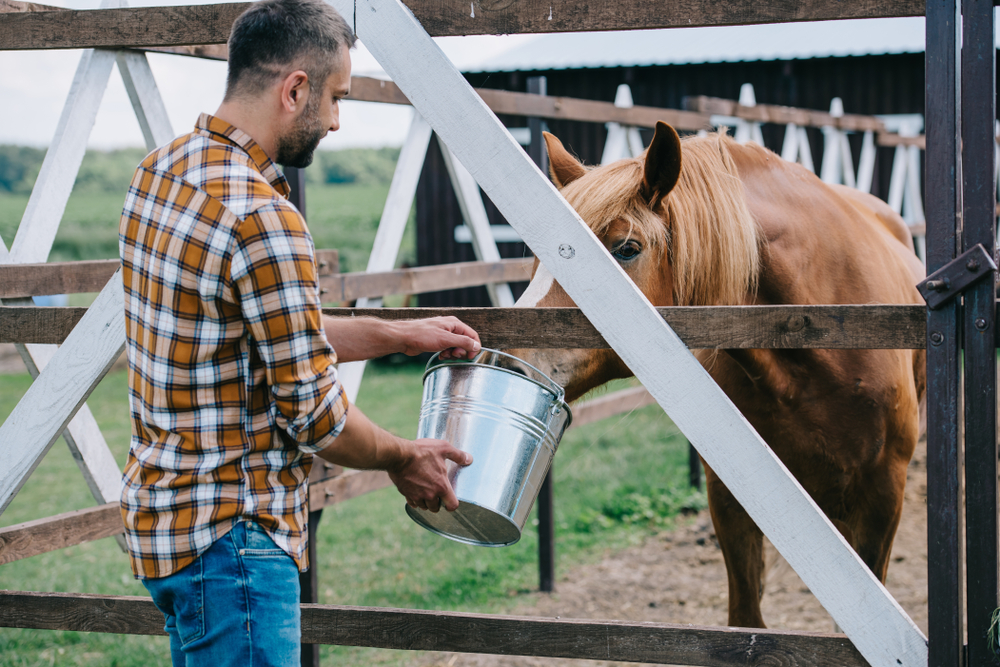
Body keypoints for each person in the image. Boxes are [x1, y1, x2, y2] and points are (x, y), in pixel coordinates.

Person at [117, 0, 480, 663]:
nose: (337, 120)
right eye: (336, 97)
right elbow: (317, 418)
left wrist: (397, 335)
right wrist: (404, 455)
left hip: (169, 526)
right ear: (294, 89)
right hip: (236, 544)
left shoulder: (160, 174)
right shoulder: (262, 216)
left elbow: (260, 332)